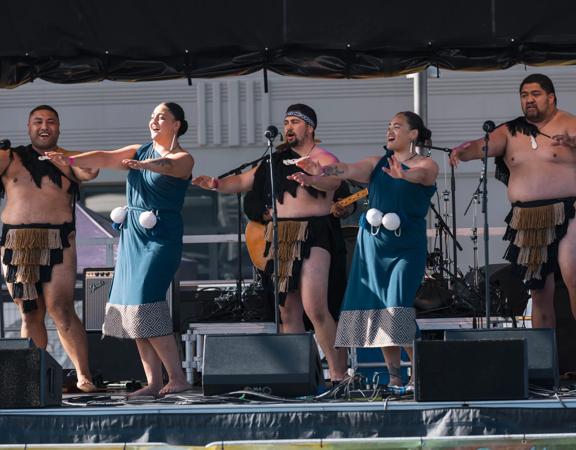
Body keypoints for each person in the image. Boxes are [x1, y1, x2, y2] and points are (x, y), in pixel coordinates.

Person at [46, 102, 194, 397]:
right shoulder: (138, 150)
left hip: (160, 236)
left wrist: (145, 166)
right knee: (129, 306)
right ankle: (153, 382)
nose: (154, 120)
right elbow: (104, 156)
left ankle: (177, 377)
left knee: (144, 300)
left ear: (176, 124)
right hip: (132, 236)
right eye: (152, 116)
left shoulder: (184, 157)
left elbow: (170, 166)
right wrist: (70, 160)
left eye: (161, 117)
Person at [193, 104, 348, 382]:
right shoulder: (272, 161)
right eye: (285, 122)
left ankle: (339, 375)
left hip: (315, 232)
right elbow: (243, 181)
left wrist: (313, 176)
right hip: (282, 233)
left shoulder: (323, 157)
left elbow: (333, 183)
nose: (288, 127)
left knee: (315, 307)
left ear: (309, 127)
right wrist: (216, 183)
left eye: (294, 122)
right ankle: (302, 376)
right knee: (287, 311)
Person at [291, 111, 438, 388]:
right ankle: (395, 376)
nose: (389, 131)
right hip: (373, 245)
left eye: (397, 126)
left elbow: (421, 176)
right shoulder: (376, 163)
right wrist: (317, 172)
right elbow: (345, 169)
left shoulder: (427, 164)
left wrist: (404, 175)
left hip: (405, 247)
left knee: (396, 306)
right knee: (377, 309)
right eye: (388, 126)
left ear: (413, 134)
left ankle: (422, 371)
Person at [450, 74, 576, 329]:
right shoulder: (509, 131)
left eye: (535, 94)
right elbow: (482, 146)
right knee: (539, 293)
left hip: (569, 210)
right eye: (524, 95)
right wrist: (464, 152)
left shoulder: (568, 123)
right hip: (528, 217)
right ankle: (547, 363)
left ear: (551, 97)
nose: (529, 100)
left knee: (573, 273)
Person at [0, 105, 99, 392]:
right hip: (17, 243)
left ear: (58, 127)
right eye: (38, 121)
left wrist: (64, 159)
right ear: (29, 127)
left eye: (51, 122)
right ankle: (33, 379)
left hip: (59, 239)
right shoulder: (11, 157)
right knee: (30, 312)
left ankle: (84, 376)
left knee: (61, 308)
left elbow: (90, 172)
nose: (44, 126)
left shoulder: (69, 159)